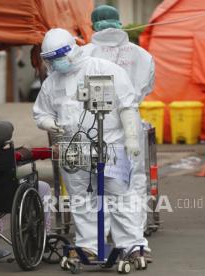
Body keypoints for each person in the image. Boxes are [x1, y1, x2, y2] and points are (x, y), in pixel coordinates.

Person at [33, 28, 145, 260]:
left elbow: (127, 106)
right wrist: (50, 124)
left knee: (120, 196)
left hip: (111, 143)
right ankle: (89, 246)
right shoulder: (52, 83)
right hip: (72, 148)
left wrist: (132, 138)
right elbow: (40, 113)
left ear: (72, 50)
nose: (57, 63)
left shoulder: (106, 70)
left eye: (59, 57)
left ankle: (132, 246)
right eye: (51, 59)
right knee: (81, 198)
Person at [82, 5, 155, 262]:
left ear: (92, 25)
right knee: (131, 184)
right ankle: (134, 241)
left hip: (91, 126)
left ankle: (97, 240)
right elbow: (146, 87)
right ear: (120, 22)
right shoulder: (142, 55)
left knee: (94, 187)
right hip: (130, 124)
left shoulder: (84, 54)